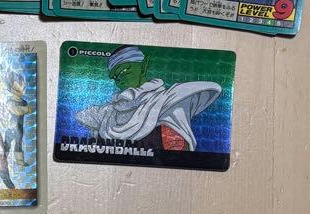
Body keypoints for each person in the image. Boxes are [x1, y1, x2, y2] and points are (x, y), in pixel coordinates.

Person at [76, 45, 221, 152]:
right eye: (115, 77)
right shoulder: (109, 113)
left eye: (124, 70)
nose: (119, 79)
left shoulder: (166, 102)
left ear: (144, 65)